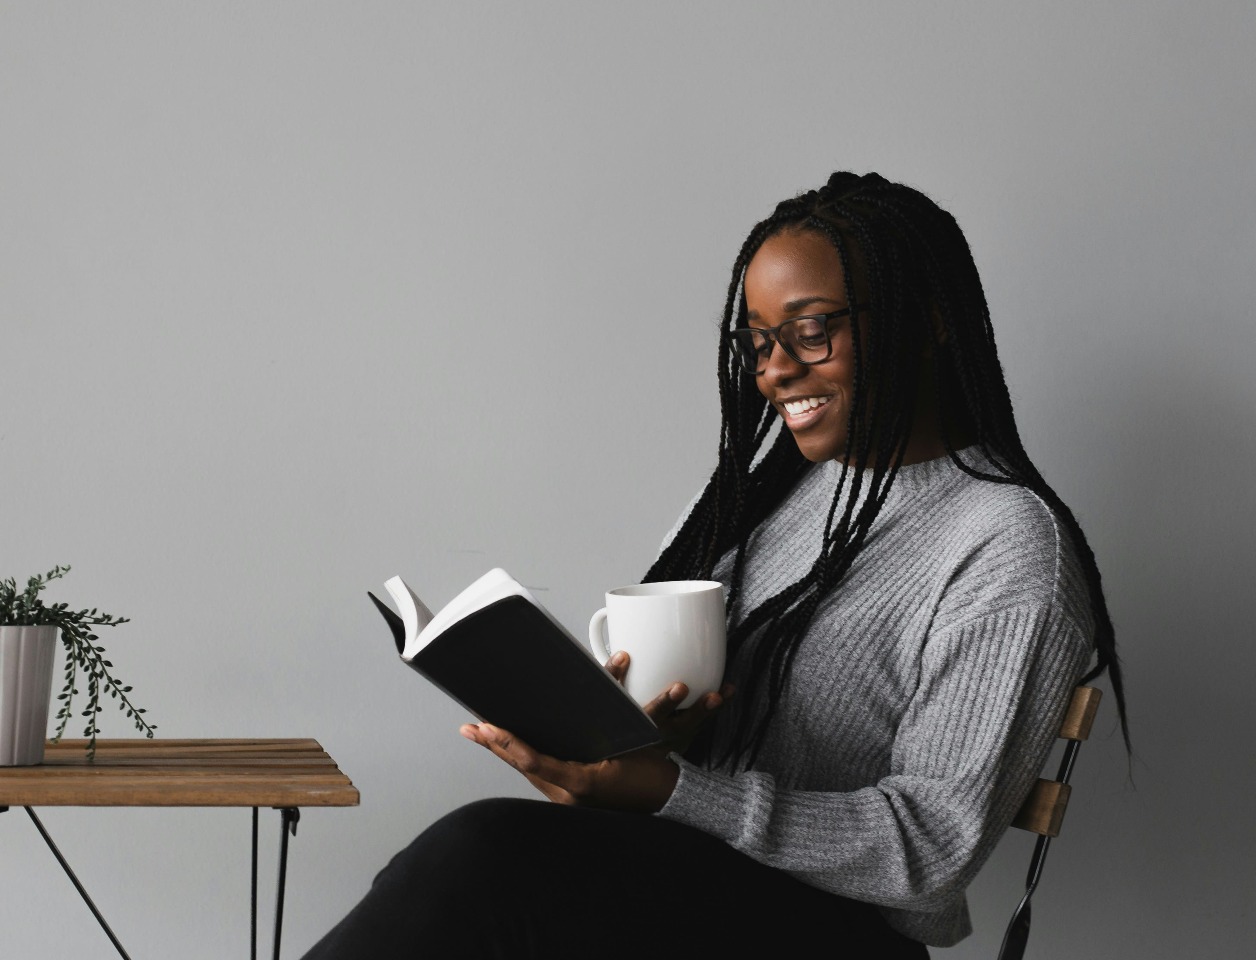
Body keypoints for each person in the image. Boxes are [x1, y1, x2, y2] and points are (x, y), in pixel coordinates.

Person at [302, 172, 1129, 959]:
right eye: (760, 341)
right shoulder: (773, 497)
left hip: (838, 939)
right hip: (704, 893)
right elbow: (708, 750)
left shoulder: (1007, 545)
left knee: (479, 860)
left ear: (930, 319)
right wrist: (640, 740)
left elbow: (932, 851)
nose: (773, 369)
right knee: (466, 883)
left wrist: (669, 790)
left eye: (811, 330)